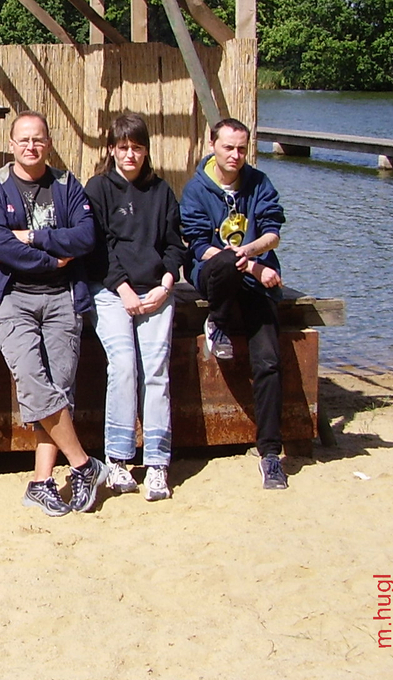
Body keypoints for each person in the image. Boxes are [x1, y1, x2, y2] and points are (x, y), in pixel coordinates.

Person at [0, 110, 106, 516]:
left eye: (38, 140)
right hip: (12, 297)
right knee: (33, 382)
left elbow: (85, 237)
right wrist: (50, 258)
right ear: (11, 145)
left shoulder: (66, 184)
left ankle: (41, 481)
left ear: (48, 144)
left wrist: (33, 236)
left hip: (63, 297)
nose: (31, 146)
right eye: (24, 140)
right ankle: (84, 464)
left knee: (59, 390)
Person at [180, 117, 288, 490]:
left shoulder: (259, 183)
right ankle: (219, 321)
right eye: (228, 147)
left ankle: (270, 454)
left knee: (269, 362)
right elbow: (198, 245)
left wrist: (252, 253)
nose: (235, 155)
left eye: (242, 148)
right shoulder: (197, 189)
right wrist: (253, 266)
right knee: (224, 262)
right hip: (215, 275)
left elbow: (273, 233)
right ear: (213, 145)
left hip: (256, 283)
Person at [84, 113, 186, 502]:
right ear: (111, 150)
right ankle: (119, 459)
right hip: (112, 291)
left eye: (137, 148)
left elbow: (174, 245)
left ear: (146, 151)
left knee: (156, 370)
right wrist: (123, 288)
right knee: (124, 364)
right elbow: (98, 249)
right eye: (123, 147)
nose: (130, 154)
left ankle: (157, 463)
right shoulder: (98, 189)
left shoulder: (161, 191)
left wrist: (166, 284)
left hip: (156, 291)